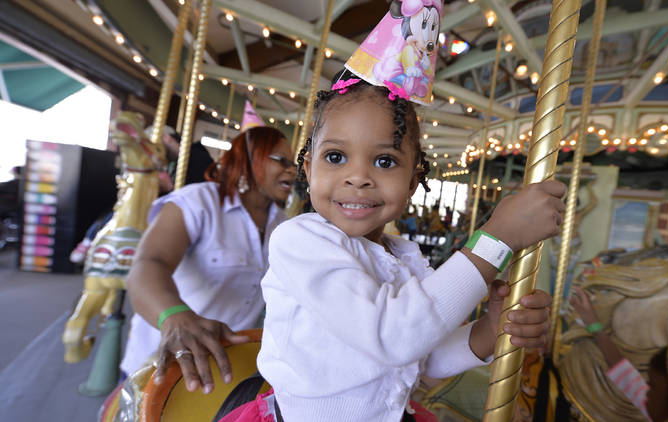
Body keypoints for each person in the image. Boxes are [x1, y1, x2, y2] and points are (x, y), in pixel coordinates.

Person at [218, 72, 564, 422]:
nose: (358, 177)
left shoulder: (402, 257)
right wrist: (496, 241)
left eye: (384, 161)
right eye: (336, 157)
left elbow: (420, 358)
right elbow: (393, 336)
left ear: (412, 182)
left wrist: (489, 331)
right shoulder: (300, 241)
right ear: (308, 170)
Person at [122, 127, 297, 393]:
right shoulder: (199, 202)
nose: (292, 170)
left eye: (293, 163)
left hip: (224, 368)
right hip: (162, 363)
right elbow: (148, 264)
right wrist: (174, 316)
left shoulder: (283, 227)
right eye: (281, 161)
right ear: (249, 160)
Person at [569, 286, 668, 422]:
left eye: (653, 388)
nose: (647, 392)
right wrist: (593, 324)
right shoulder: (658, 407)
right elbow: (623, 370)